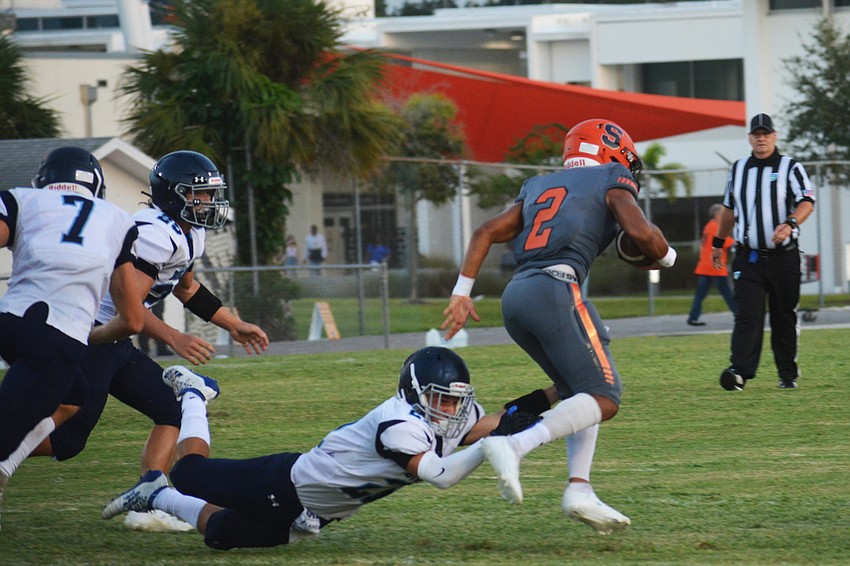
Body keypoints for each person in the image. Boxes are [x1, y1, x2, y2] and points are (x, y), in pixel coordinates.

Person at [441, 118, 677, 535]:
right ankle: (514, 445)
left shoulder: (538, 185)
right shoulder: (611, 175)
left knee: (578, 392)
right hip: (556, 287)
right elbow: (642, 233)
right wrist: (667, 256)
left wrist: (462, 293)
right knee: (605, 396)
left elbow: (486, 230)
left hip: (517, 296)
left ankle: (579, 489)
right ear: (610, 151)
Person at [101, 347, 555, 549]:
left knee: (222, 535)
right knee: (189, 473)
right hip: (288, 483)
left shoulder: (445, 416)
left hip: (317, 511)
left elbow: (499, 420)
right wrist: (493, 448)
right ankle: (194, 394)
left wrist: (557, 395)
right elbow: (442, 475)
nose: (452, 410)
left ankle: (154, 496)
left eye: (456, 400)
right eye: (443, 399)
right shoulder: (399, 424)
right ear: (416, 394)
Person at [29, 150, 269, 530]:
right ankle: (8, 444)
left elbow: (186, 289)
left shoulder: (189, 231)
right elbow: (131, 309)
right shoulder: (154, 233)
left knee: (171, 409)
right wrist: (175, 337)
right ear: (174, 195)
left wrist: (232, 324)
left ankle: (150, 496)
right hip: (90, 335)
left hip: (115, 338)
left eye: (210, 194)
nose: (209, 202)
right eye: (200, 194)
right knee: (68, 440)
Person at [0, 147, 145, 526]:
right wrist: (90, 336)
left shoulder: (21, 198)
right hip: (57, 339)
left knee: (74, 395)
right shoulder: (117, 219)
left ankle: (4, 468)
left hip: (10, 322)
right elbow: (132, 320)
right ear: (96, 186)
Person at [714, 113, 815, 391]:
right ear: (750, 138)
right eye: (756, 134)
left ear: (774, 136)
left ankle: (787, 374)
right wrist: (718, 243)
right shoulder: (738, 169)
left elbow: (807, 201)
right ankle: (740, 372)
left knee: (784, 315)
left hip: (784, 256)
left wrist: (790, 223)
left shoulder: (790, 167)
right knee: (747, 315)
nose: (761, 139)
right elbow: (729, 209)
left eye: (766, 134)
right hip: (749, 257)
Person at [686, 203, 736, 326]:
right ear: (717, 215)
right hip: (715, 266)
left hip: (705, 265)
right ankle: (739, 314)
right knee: (727, 292)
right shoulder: (716, 227)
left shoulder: (708, 226)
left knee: (700, 293)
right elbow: (728, 243)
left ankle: (693, 316)